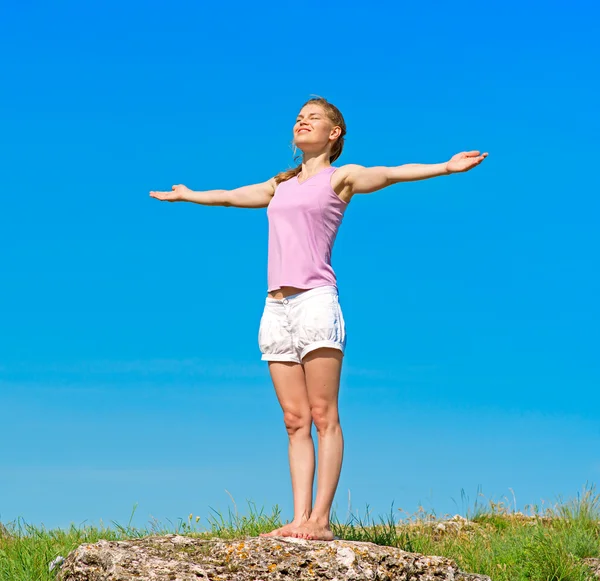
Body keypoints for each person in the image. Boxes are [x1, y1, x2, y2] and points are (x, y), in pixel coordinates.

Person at [149, 96, 488, 541]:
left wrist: (445, 167)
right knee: (294, 420)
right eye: (298, 117)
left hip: (315, 301)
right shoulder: (281, 184)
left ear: (334, 134)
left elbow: (388, 173)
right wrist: (189, 196)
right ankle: (298, 517)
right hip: (275, 308)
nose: (301, 121)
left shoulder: (340, 178)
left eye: (313, 118)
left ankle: (321, 520)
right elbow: (233, 197)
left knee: (323, 413)